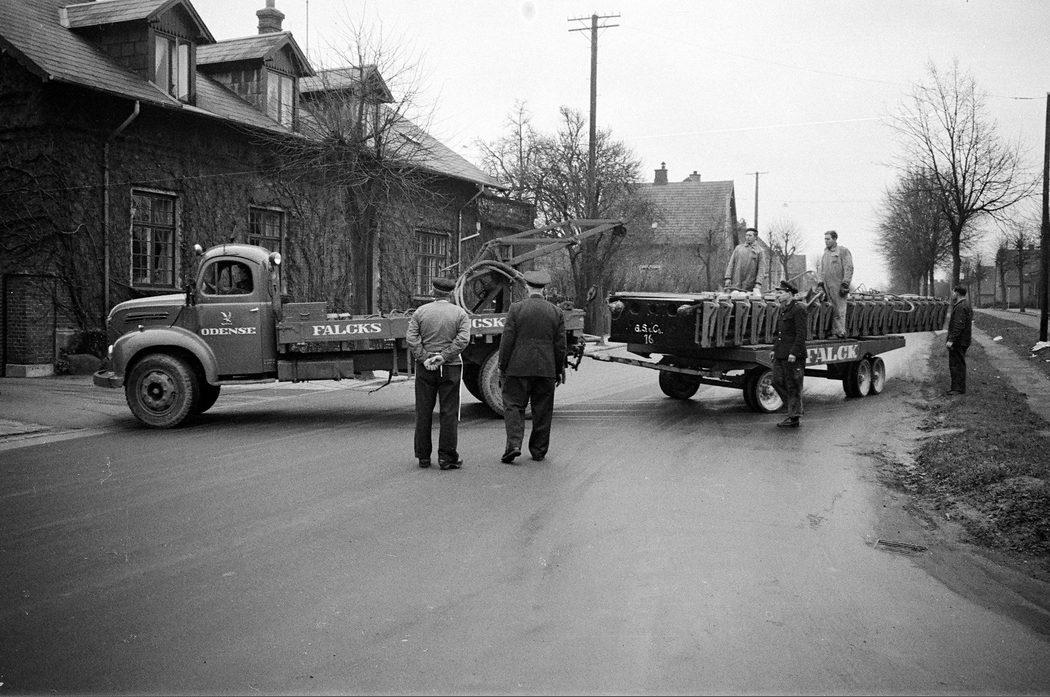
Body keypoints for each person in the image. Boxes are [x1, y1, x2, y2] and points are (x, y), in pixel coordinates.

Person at [499, 269, 567, 464]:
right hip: (545, 369)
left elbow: (507, 340)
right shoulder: (556, 312)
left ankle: (514, 445)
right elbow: (560, 345)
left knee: (513, 405)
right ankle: (538, 451)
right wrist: (559, 370)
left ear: (527, 287)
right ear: (544, 289)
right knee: (543, 410)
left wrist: (502, 365)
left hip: (518, 367)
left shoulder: (516, 309)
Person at [406, 276, 471, 470]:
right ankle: (447, 457)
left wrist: (425, 357)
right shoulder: (460, 313)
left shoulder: (420, 312)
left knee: (423, 411)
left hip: (425, 368)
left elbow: (411, 338)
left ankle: (423, 456)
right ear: (451, 294)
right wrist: (444, 356)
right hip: (450, 367)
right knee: (449, 412)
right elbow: (463, 339)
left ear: (433, 292)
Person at [770, 279, 807, 428]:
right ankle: (794, 409)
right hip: (781, 353)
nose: (777, 295)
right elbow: (780, 333)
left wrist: (794, 352)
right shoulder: (783, 309)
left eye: (780, 293)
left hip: (793, 355)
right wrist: (774, 349)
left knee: (793, 385)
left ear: (789, 294)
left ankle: (794, 417)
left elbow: (801, 334)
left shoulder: (799, 309)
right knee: (776, 381)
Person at [816, 230, 854, 338]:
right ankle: (832, 331)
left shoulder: (843, 251)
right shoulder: (825, 253)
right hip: (826, 286)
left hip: (838, 285)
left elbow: (849, 267)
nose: (826, 241)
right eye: (825, 239)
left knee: (839, 309)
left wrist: (845, 283)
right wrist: (820, 282)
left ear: (835, 239)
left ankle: (840, 332)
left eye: (828, 239)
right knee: (830, 308)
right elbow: (821, 269)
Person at [945, 284, 972, 395]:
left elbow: (959, 325)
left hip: (958, 341)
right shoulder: (966, 304)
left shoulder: (960, 306)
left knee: (956, 365)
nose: (952, 294)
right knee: (959, 364)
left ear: (957, 293)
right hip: (963, 340)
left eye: (953, 292)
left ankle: (957, 389)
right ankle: (958, 388)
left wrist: (951, 340)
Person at [724, 227, 766, 294]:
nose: (747, 237)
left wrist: (758, 283)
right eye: (746, 235)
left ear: (755, 237)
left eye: (750, 235)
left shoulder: (760, 251)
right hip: (736, 283)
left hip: (750, 285)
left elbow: (761, 268)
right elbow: (731, 263)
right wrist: (728, 277)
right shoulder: (738, 248)